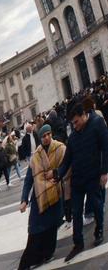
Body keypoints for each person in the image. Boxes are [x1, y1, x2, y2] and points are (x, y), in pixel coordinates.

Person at [52, 101, 108, 262]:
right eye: (72, 123)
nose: (74, 126)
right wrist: (58, 174)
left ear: (84, 115)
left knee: (97, 205)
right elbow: (67, 159)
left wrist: (104, 171)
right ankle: (78, 243)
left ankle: (99, 230)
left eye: (76, 122)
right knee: (76, 212)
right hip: (78, 179)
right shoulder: (74, 135)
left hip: (93, 176)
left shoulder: (97, 123)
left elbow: (106, 147)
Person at [18, 124, 66, 270]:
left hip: (55, 195)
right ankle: (25, 264)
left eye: (48, 135)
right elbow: (28, 180)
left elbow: (67, 166)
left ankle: (47, 254)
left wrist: (56, 172)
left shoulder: (60, 148)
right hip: (39, 197)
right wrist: (24, 199)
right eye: (43, 136)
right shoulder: (36, 156)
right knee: (34, 231)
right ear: (40, 138)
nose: (46, 138)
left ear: (51, 134)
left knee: (51, 228)